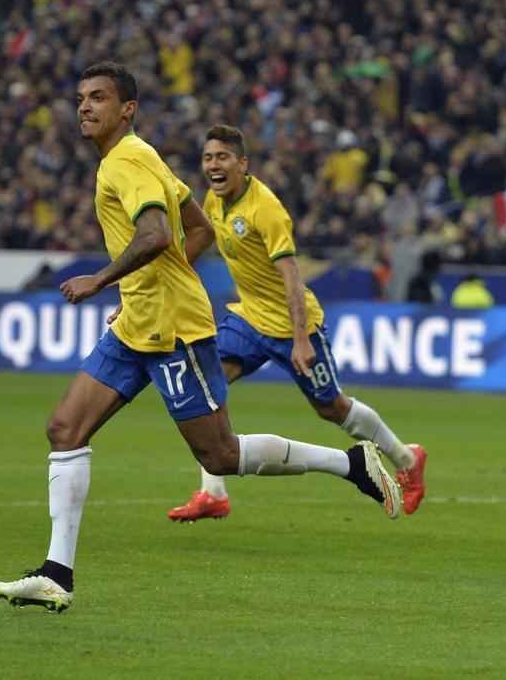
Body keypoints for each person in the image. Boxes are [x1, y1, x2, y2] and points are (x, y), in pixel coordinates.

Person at [0, 64, 401, 613]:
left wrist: (101, 280)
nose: (85, 106)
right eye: (81, 97)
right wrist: (143, 286)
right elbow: (199, 227)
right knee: (65, 428)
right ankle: (55, 574)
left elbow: (157, 234)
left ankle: (351, 464)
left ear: (127, 109)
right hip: (138, 323)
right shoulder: (142, 156)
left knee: (221, 455)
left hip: (175, 329)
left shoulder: (127, 160)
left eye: (99, 98)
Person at [164, 124, 426, 523]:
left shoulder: (265, 209)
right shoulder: (214, 202)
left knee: (332, 407)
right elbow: (198, 242)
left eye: (223, 157)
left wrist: (301, 339)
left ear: (243, 163)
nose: (214, 165)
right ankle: (213, 492)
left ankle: (407, 458)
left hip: (292, 327)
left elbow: (291, 276)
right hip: (249, 318)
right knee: (207, 386)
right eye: (208, 158)